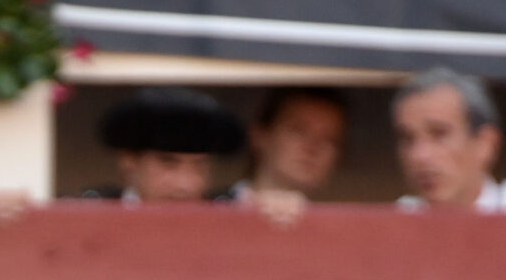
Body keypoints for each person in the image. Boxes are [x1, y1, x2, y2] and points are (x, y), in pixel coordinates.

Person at [391, 68, 506, 213]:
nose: (419, 155)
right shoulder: (392, 228)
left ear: (485, 144)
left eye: (440, 134)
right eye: (408, 139)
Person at [81, 86, 246, 202]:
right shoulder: (92, 214)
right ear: (129, 160)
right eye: (169, 164)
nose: (185, 185)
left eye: (199, 166)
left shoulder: (223, 218)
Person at [232, 86, 347, 213]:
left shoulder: (335, 229)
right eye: (299, 131)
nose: (313, 148)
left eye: (328, 139)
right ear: (260, 135)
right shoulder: (212, 206)